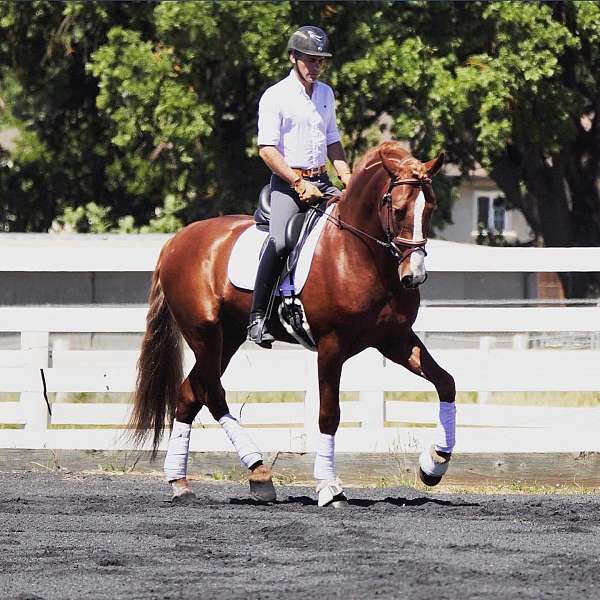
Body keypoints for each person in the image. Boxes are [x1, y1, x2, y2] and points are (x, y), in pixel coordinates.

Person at [248, 25, 352, 347]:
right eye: (310, 60)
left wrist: (347, 177)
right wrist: (296, 182)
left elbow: (333, 140)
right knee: (280, 242)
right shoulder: (275, 96)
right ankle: (258, 316)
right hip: (287, 183)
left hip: (322, 179)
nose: (316, 66)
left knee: (355, 226)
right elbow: (266, 149)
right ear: (293, 58)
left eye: (321, 61)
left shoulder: (326, 94)